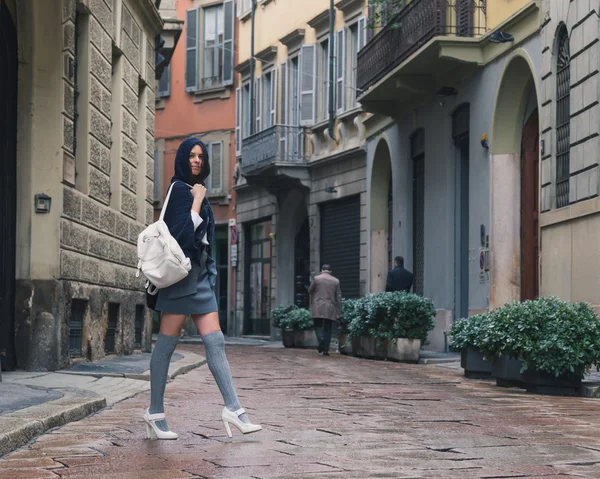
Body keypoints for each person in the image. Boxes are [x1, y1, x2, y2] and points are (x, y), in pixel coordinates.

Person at [144, 138, 261, 440]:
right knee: (166, 346)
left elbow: (204, 242)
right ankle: (155, 412)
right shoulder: (180, 190)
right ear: (182, 159)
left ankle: (233, 409)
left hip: (199, 280)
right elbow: (182, 236)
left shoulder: (199, 192)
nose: (196, 160)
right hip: (179, 280)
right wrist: (196, 201)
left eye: (201, 157)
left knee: (216, 342)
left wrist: (209, 276)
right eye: (191, 156)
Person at [308, 265, 342, 356]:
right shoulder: (336, 281)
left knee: (318, 325)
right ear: (330, 271)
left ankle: (322, 342)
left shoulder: (316, 279)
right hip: (330, 306)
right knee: (328, 328)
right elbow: (338, 297)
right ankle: (326, 350)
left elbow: (310, 290)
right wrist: (339, 311)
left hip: (318, 305)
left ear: (322, 270)